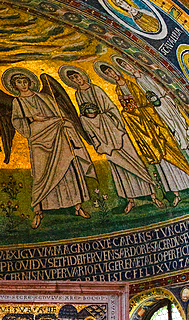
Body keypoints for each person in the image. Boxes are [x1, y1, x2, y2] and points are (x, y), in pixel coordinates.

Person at [61, 68, 160, 213]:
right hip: (101, 136)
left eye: (77, 77)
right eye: (73, 80)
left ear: (83, 75)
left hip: (114, 131)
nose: (76, 81)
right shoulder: (78, 94)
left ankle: (152, 196)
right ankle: (130, 200)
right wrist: (88, 121)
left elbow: (111, 108)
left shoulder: (96, 90)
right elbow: (83, 114)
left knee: (134, 160)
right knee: (118, 168)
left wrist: (109, 123)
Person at [97, 61, 189, 205]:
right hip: (141, 129)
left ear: (116, 70)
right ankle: (174, 193)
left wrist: (139, 110)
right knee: (160, 163)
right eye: (107, 74)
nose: (111, 75)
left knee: (171, 152)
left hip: (154, 126)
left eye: (111, 71)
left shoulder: (132, 84)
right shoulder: (117, 90)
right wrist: (129, 113)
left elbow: (149, 102)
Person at [123, 58, 189, 203]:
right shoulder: (135, 84)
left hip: (169, 111)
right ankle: (182, 191)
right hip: (159, 118)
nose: (128, 68)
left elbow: (164, 92)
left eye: (127, 64)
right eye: (124, 67)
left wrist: (161, 103)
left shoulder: (148, 75)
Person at [8, 70, 93, 227]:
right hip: (37, 137)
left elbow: (59, 114)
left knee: (68, 168)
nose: (23, 84)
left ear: (30, 82)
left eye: (25, 81)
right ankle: (39, 212)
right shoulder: (17, 102)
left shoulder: (44, 97)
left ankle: (77, 206)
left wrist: (63, 122)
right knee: (41, 174)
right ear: (14, 86)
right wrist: (30, 118)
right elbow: (17, 121)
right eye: (19, 82)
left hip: (57, 134)